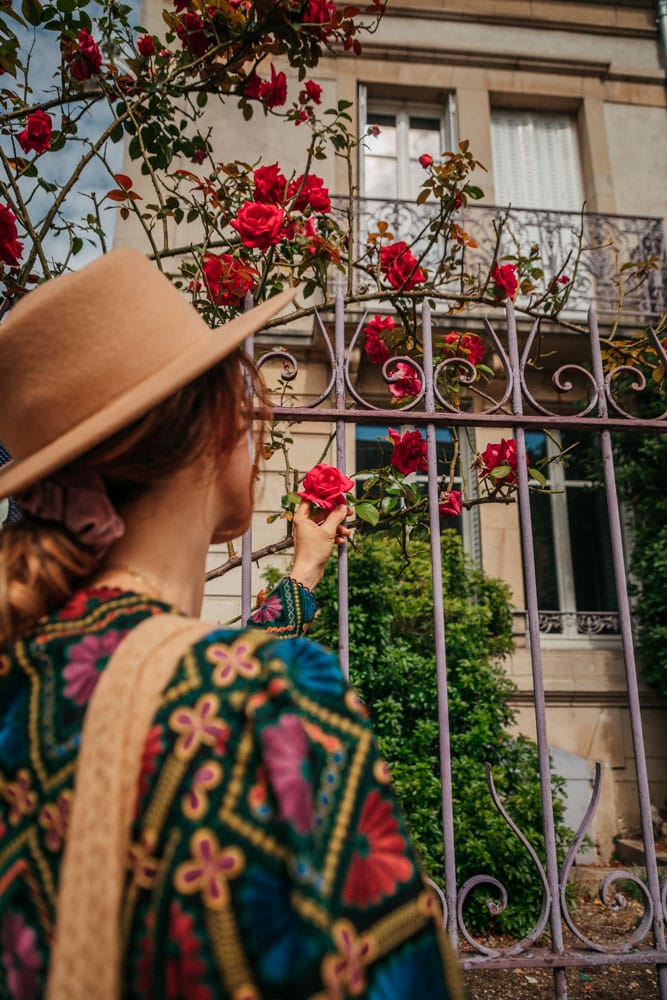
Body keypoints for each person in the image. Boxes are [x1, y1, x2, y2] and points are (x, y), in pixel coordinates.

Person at [0, 248, 462, 999]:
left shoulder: (31, 665)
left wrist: (304, 570)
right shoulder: (266, 702)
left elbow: (154, 675)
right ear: (221, 423)